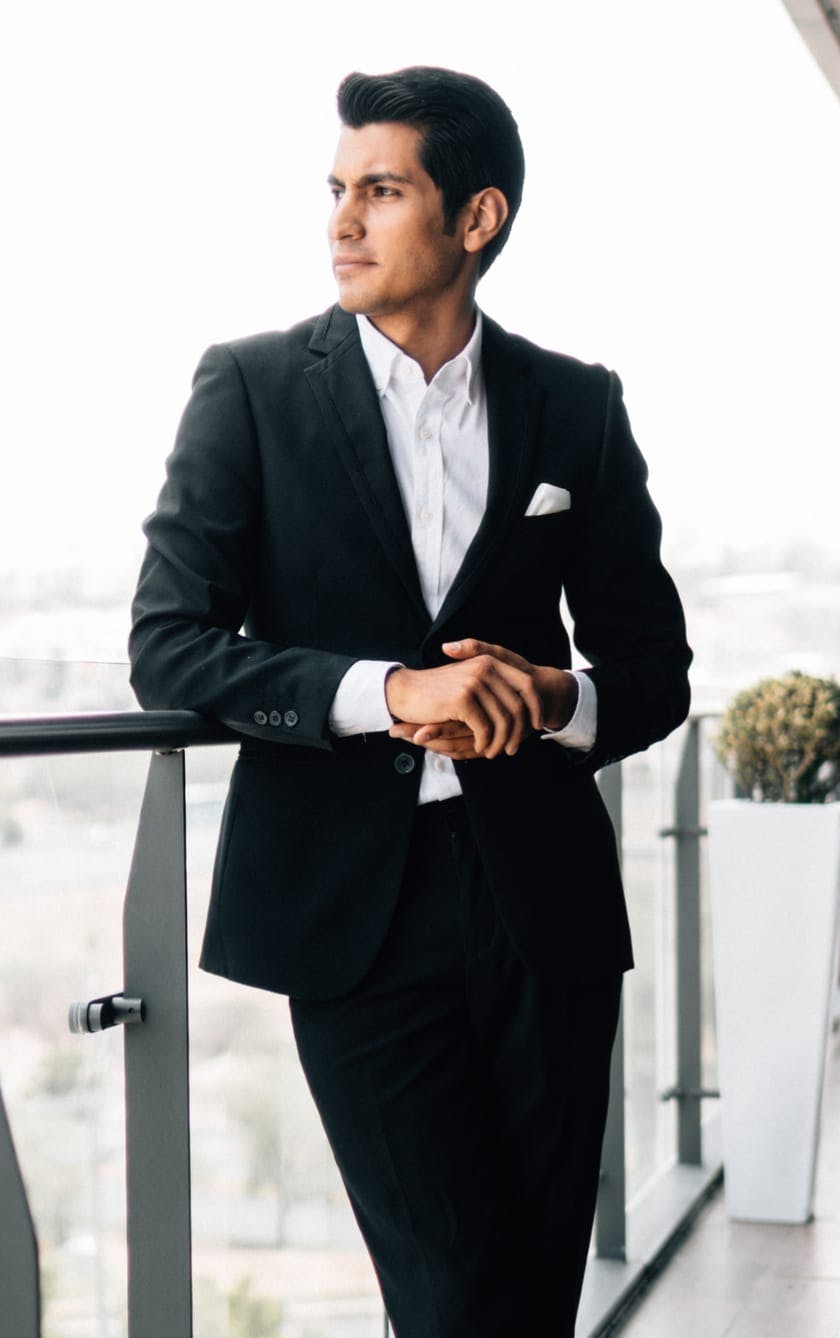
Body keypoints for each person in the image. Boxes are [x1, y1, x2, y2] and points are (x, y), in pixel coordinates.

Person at [129, 66, 691, 1338]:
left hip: (543, 905)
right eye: (336, 191)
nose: (341, 222)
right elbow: (169, 646)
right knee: (451, 1291)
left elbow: (652, 673)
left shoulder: (576, 406)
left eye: (380, 191)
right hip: (350, 916)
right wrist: (391, 692)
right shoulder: (253, 389)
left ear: (476, 217)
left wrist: (554, 699)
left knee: (534, 1290)